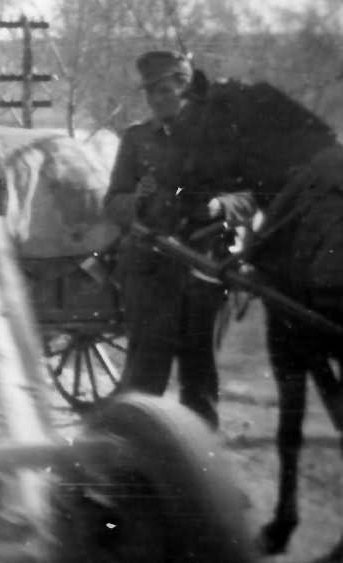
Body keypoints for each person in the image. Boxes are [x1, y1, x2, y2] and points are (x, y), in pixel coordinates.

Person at [104, 50, 224, 428]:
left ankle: (202, 459)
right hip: (149, 271)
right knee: (144, 375)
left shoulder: (213, 141)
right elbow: (111, 203)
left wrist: (219, 206)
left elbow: (249, 198)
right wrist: (137, 198)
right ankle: (130, 461)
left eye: (166, 91)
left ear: (185, 92)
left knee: (199, 376)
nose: (157, 100)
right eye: (151, 93)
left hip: (200, 272)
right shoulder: (137, 140)